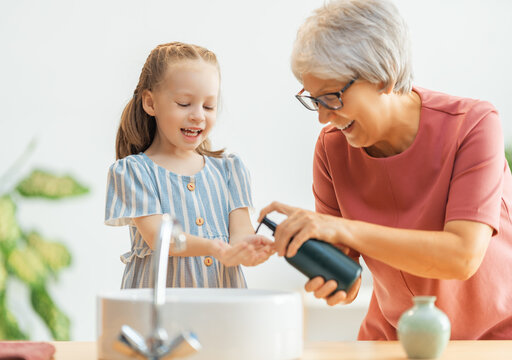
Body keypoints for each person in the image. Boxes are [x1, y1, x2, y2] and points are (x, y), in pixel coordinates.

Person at [259, 0, 512, 340]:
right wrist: (308, 255)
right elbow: (348, 280)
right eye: (314, 99)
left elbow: (462, 256)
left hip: (493, 338)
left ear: (385, 76)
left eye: (332, 96)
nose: (322, 116)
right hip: (392, 337)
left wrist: (339, 229)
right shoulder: (331, 148)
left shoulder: (473, 125)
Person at [105, 42, 274, 289]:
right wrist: (213, 248)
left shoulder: (230, 171)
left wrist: (251, 248)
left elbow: (240, 234)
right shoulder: (135, 172)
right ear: (150, 103)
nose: (198, 115)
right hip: (159, 310)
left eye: (208, 106)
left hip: (221, 309)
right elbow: (160, 239)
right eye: (184, 103)